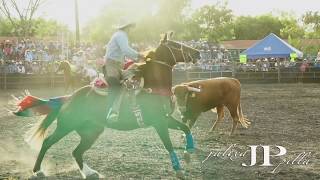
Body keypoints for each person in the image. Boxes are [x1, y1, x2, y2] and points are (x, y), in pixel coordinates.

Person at [104, 20, 144, 124]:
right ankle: (113, 111)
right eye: (130, 27)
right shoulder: (122, 35)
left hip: (116, 66)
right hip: (112, 67)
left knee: (132, 77)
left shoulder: (118, 35)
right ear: (127, 27)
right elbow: (126, 50)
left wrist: (136, 58)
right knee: (120, 85)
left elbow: (123, 52)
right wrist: (140, 55)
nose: (131, 30)